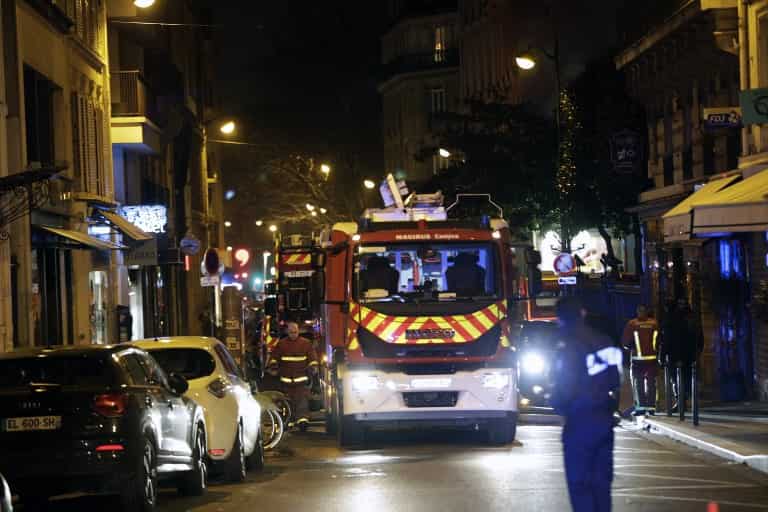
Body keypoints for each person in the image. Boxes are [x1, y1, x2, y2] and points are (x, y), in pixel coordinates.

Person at [551, 297, 622, 512]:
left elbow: (564, 385)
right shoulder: (604, 340)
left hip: (578, 420)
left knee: (580, 485)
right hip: (603, 420)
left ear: (560, 318)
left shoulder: (565, 343)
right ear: (582, 313)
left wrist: (559, 405)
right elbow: (616, 381)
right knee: (601, 485)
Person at [268, 321, 319, 430]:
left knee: (302, 401)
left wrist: (313, 367)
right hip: (286, 380)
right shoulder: (281, 344)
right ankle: (289, 421)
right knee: (287, 401)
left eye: (295, 332)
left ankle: (302, 421)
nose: (293, 334)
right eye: (291, 332)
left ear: (298, 331)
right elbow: (274, 357)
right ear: (287, 332)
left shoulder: (305, 344)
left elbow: (312, 358)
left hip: (301, 379)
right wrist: (273, 365)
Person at [660, 298, 703, 411]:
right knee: (685, 378)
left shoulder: (672, 318)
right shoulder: (692, 317)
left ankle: (681, 402)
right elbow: (699, 336)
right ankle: (683, 401)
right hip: (689, 354)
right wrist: (697, 351)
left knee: (677, 378)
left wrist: (662, 355)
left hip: (677, 354)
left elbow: (666, 339)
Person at [621, 304, 660, 415]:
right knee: (652, 384)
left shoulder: (632, 324)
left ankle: (641, 408)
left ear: (637, 311)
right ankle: (652, 408)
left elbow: (625, 342)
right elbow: (659, 340)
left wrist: (631, 347)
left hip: (637, 360)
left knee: (639, 384)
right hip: (652, 359)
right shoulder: (654, 323)